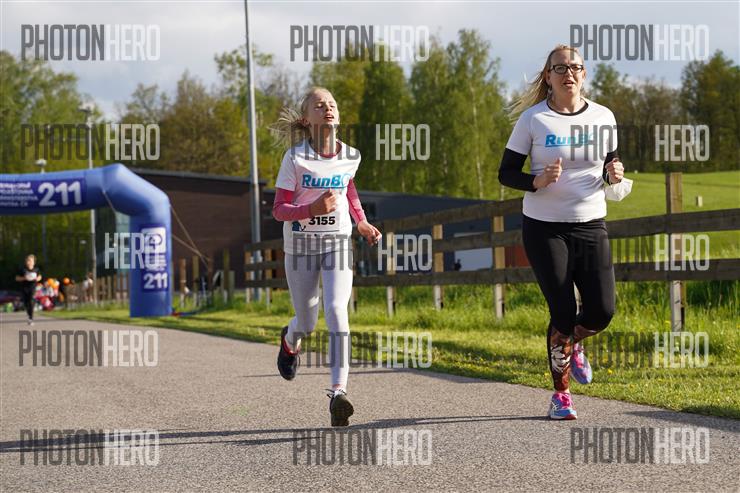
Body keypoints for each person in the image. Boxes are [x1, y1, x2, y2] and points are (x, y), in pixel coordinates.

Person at [498, 45, 626, 420]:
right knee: (563, 310)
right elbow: (506, 173)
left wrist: (614, 174)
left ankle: (573, 343)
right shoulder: (533, 119)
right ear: (548, 77)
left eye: (574, 67)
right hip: (544, 228)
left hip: (591, 223)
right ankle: (561, 395)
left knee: (602, 311)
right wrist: (536, 181)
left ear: (584, 74)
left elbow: (610, 165)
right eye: (560, 68)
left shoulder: (603, 117)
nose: (568, 73)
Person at [270, 86, 382, 426]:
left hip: (337, 242)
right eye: (319, 105)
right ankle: (290, 341)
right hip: (301, 247)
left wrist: (361, 222)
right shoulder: (295, 158)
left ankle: (338, 393)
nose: (328, 108)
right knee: (306, 322)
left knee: (336, 309)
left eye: (332, 103)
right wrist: (312, 209)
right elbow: (279, 210)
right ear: (307, 119)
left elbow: (348, 189)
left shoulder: (351, 155)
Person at [15, 254, 41, 325]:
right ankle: (29, 315)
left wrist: (37, 278)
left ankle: (31, 318)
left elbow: (40, 276)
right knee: (26, 303)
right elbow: (17, 278)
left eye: (31, 261)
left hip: (32, 287)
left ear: (34, 262)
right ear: (26, 262)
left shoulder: (36, 269)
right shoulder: (22, 269)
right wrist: (24, 278)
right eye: (28, 261)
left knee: (31, 300)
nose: (29, 262)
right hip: (24, 288)